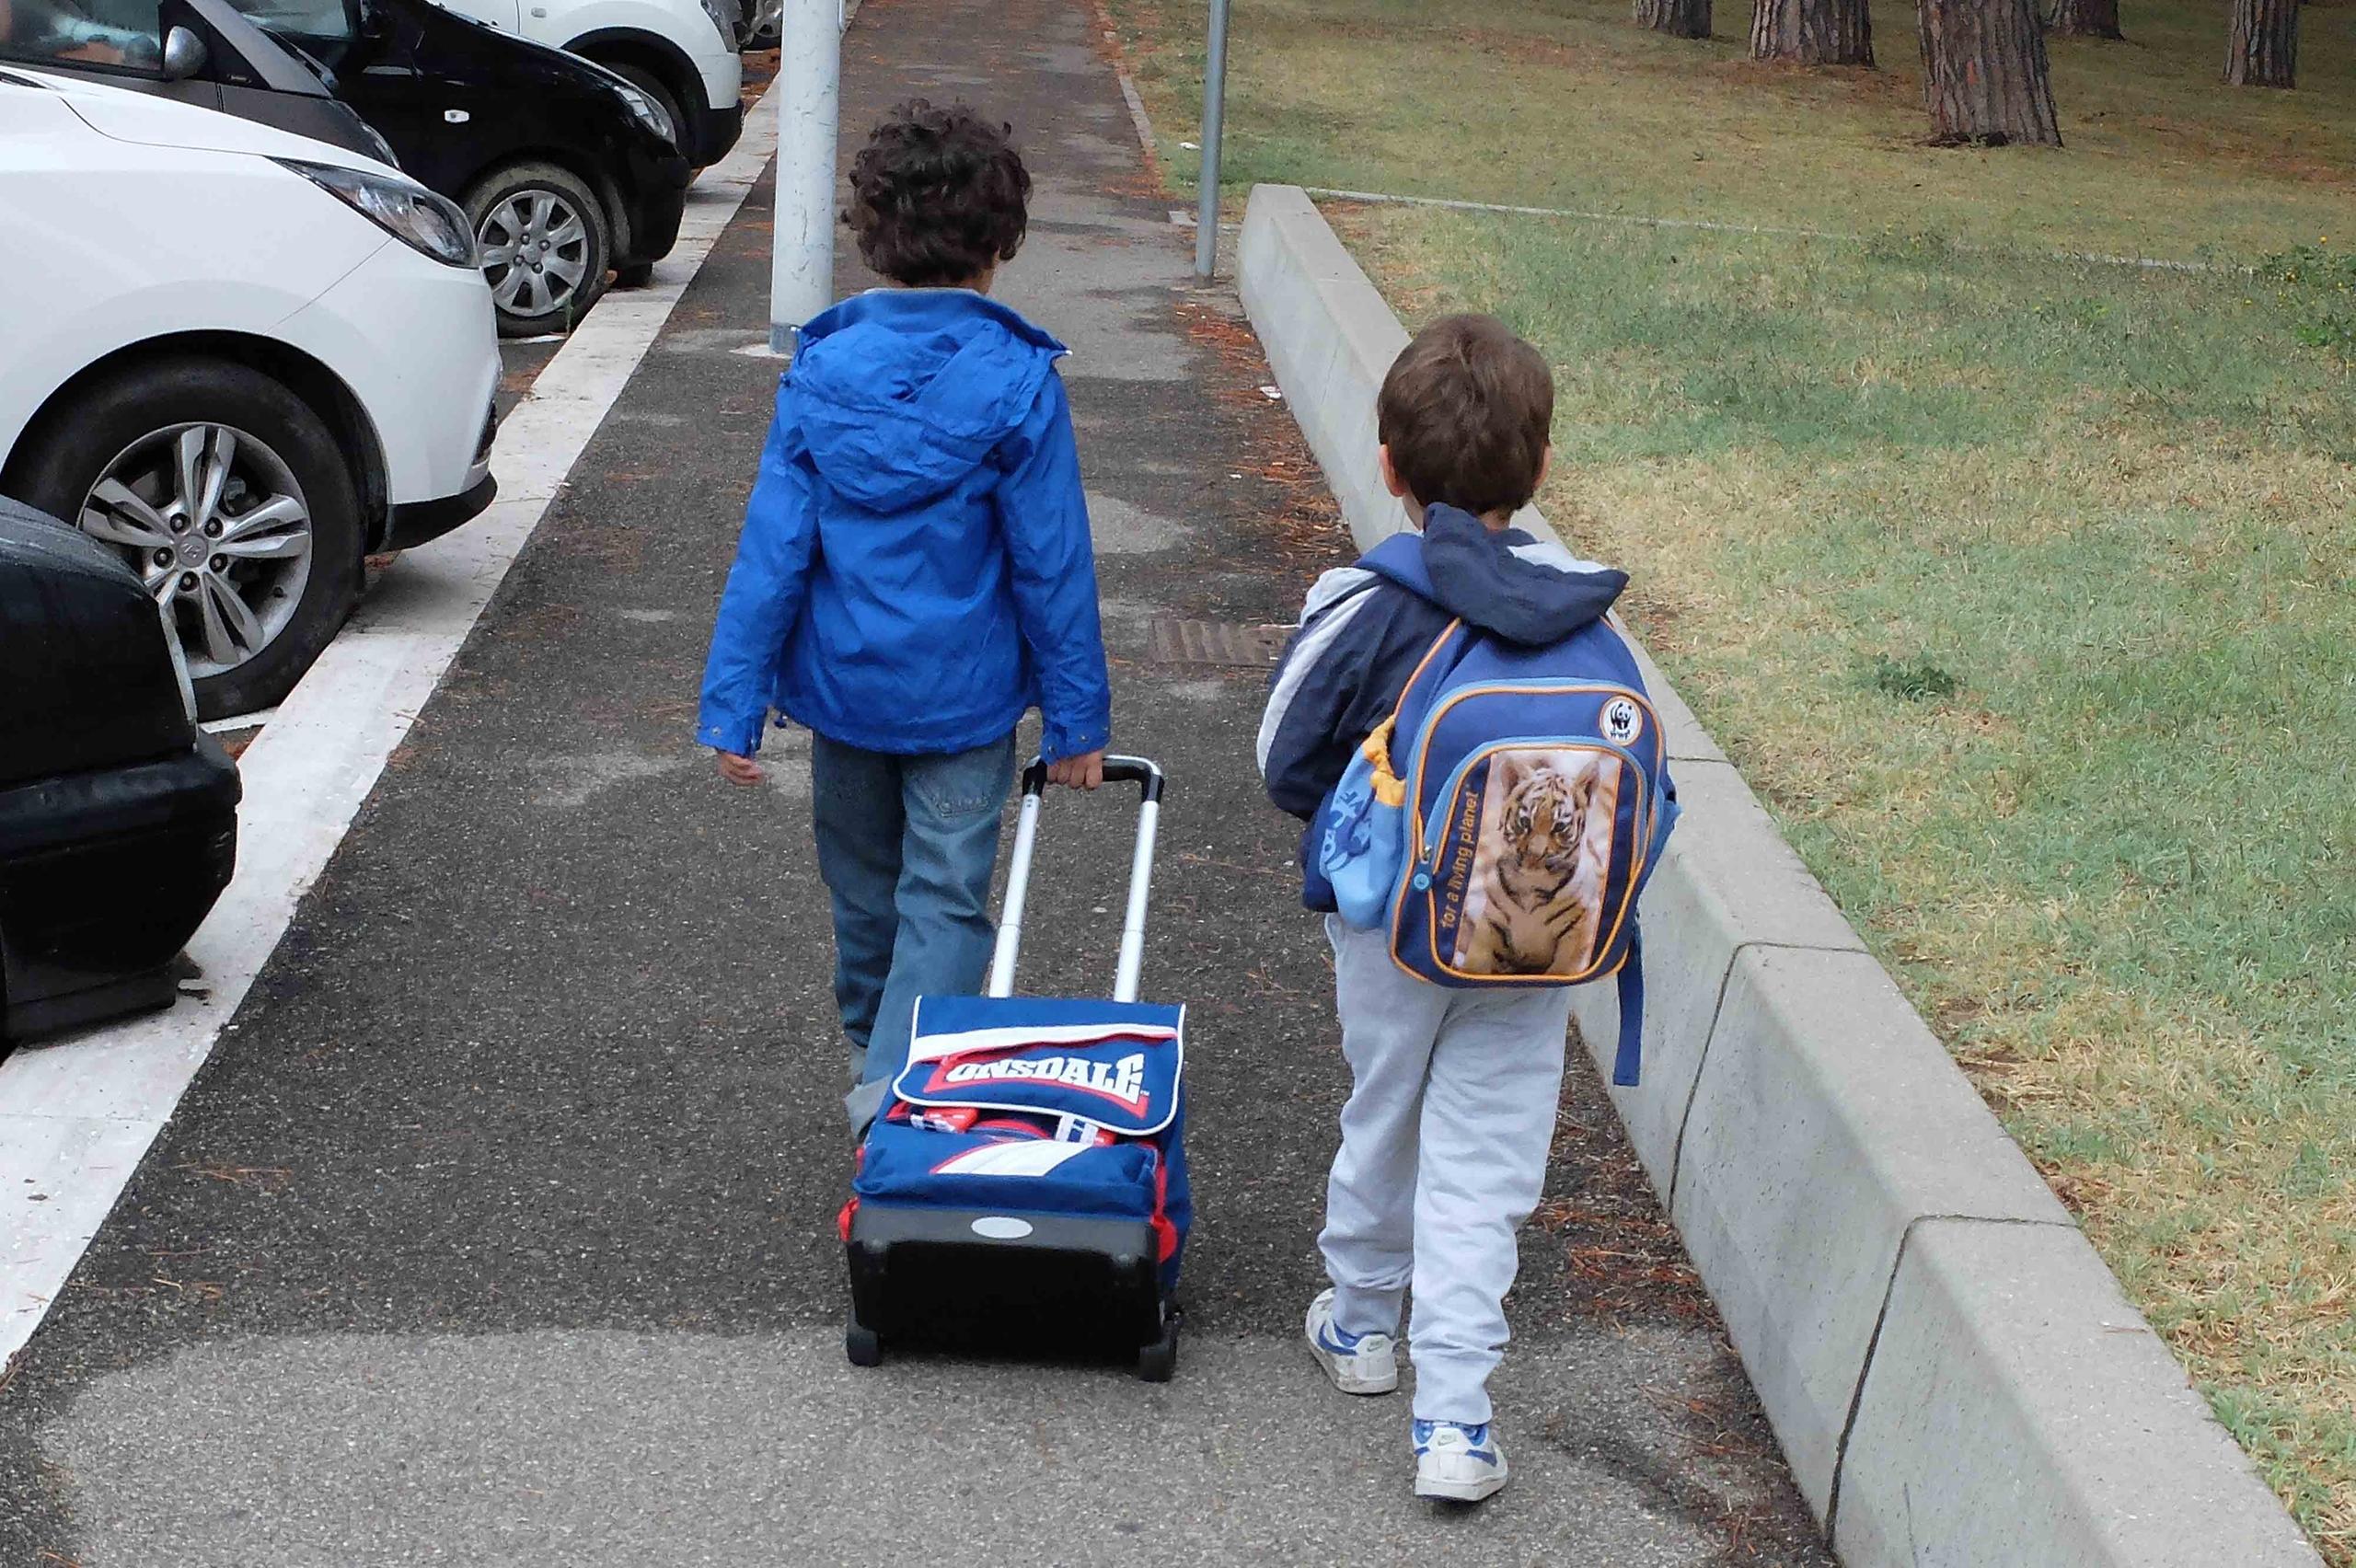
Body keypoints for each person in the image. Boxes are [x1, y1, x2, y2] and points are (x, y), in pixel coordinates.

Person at [1259, 314, 1632, 1505]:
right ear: (1538, 469)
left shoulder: (1366, 601)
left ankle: (1361, 1324)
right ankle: (1458, 1425)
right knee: (1485, 1167)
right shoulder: (1587, 619)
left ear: (1388, 465)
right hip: (1538, 942)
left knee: (1387, 1112)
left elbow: (1283, 759)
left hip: (1390, 931)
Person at [699, 100, 1110, 1136]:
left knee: (865, 893)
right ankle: (901, 1095)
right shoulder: (1017, 382)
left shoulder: (822, 372)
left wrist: (732, 703)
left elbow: (774, 548)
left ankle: (874, 1068)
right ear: (1000, 243)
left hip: (843, 689)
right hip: (965, 698)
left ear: (873, 231)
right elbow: (1051, 563)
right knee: (946, 897)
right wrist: (1076, 722)